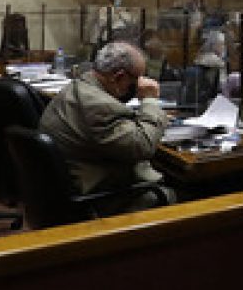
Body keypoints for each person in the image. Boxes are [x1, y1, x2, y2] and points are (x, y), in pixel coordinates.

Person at [39, 41, 175, 213]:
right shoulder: (100, 106)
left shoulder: (79, 87)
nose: (137, 87)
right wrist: (150, 101)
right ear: (118, 77)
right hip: (103, 198)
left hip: (69, 186)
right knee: (188, 192)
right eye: (136, 81)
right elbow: (143, 146)